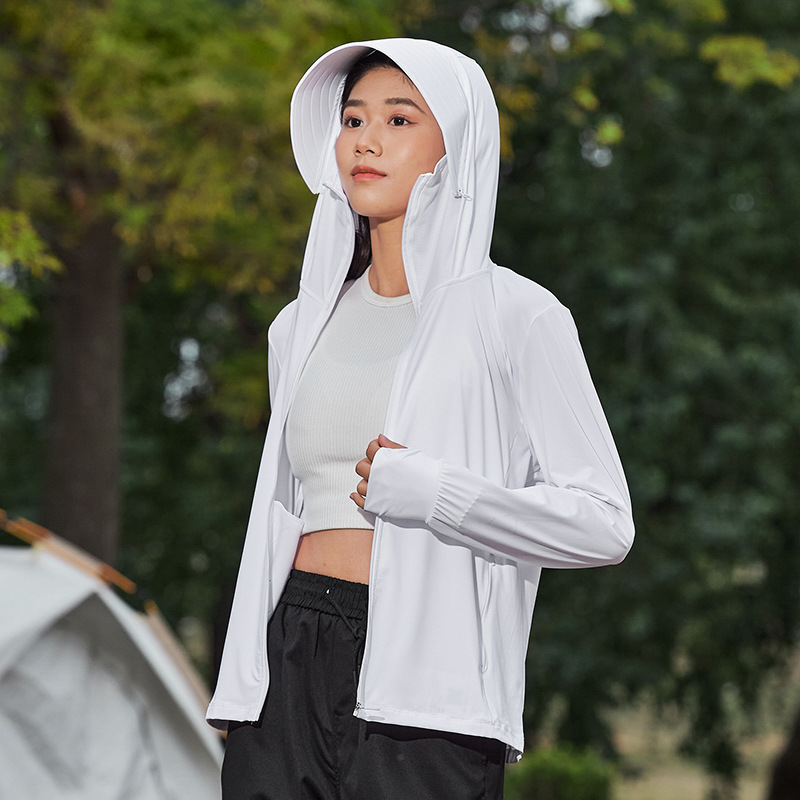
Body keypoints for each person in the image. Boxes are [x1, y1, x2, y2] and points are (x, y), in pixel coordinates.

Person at [209, 38, 634, 800]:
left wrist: (440, 495)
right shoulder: (295, 328)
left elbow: (605, 524)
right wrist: (245, 681)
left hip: (431, 696)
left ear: (457, 147)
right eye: (353, 119)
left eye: (399, 119)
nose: (366, 141)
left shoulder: (518, 316)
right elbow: (278, 513)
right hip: (287, 664)